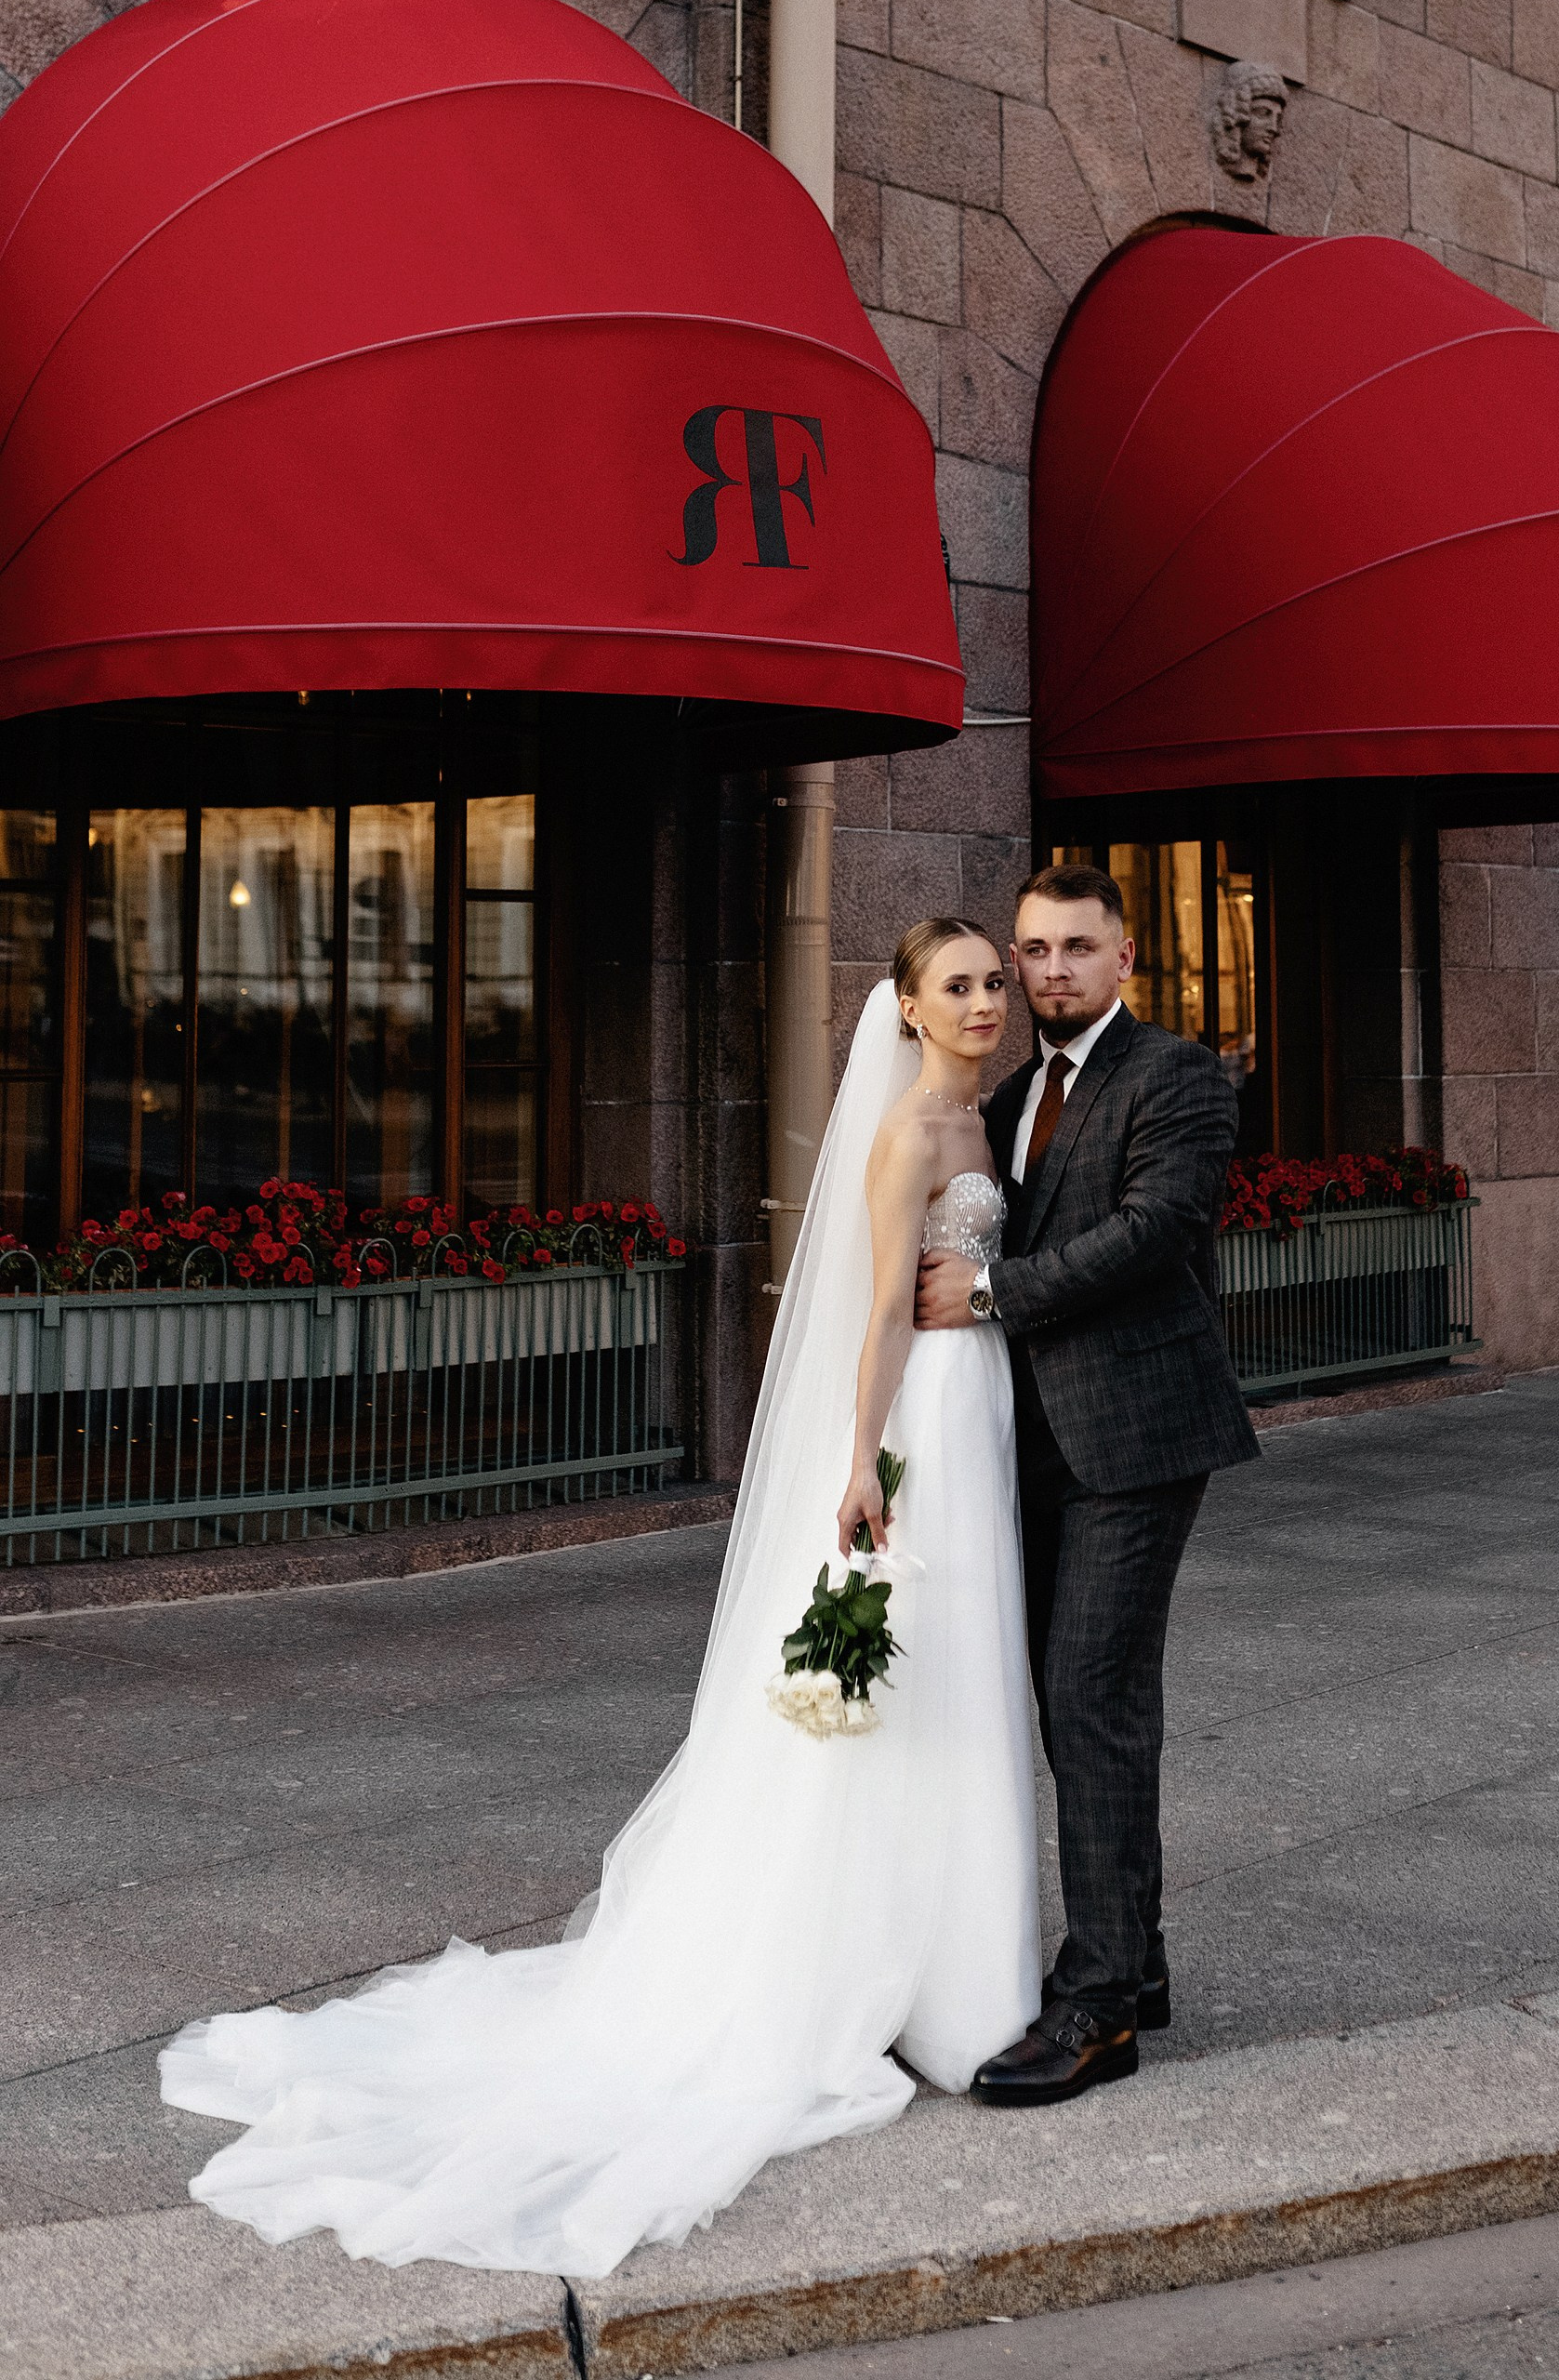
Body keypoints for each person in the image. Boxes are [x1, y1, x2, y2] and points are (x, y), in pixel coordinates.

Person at [158, 919, 1039, 2275]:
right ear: (909, 1011)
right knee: (898, 1685)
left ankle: (956, 1974)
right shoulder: (913, 1134)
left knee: (963, 1674)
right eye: (957, 987)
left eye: (993, 982)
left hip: (978, 1407)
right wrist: (863, 1463)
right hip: (920, 1417)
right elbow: (872, 1313)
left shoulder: (991, 1115)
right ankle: (873, 1973)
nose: (984, 1003)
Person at [918, 862, 1258, 2105]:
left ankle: (1100, 2005)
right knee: (1077, 1708)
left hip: (1140, 1435)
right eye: (1034, 950)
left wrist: (991, 1292)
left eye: (1076, 947)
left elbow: (1157, 1229)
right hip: (1029, 1444)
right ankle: (1140, 1956)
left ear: (1125, 958)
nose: (1051, 969)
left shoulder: (1178, 1075)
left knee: (1091, 1694)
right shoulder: (1010, 1097)